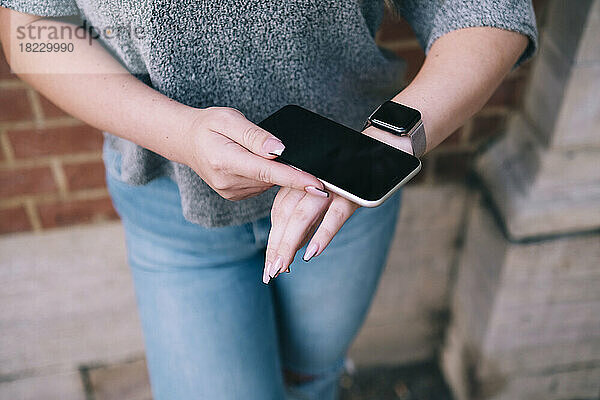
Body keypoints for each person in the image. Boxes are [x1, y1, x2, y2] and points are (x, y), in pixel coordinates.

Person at [0, 1, 537, 398]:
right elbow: (33, 30)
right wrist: (179, 135)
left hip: (344, 193)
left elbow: (489, 12)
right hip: (174, 205)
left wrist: (384, 144)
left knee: (312, 379)